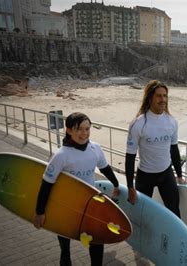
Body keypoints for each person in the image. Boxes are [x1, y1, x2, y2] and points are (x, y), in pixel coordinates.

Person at [32, 112, 120, 266]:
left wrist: (116, 184)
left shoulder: (95, 148)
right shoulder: (61, 155)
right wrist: (40, 212)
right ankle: (65, 256)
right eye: (79, 129)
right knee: (65, 240)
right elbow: (46, 184)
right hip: (67, 204)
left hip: (89, 203)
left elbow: (104, 168)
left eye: (87, 129)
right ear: (69, 130)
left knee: (97, 238)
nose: (84, 133)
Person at [125, 80, 185, 217]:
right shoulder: (138, 124)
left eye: (165, 96)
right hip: (145, 176)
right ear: (150, 98)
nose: (163, 99)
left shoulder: (172, 122)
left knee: (174, 211)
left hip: (166, 173)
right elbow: (130, 157)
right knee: (141, 213)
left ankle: (173, 238)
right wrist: (130, 187)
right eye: (159, 96)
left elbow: (174, 149)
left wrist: (180, 176)